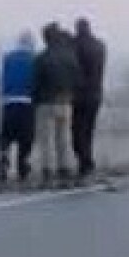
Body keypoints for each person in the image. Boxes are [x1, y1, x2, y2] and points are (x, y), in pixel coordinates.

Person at [32, 23, 81, 186]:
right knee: (64, 138)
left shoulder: (41, 58)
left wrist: (36, 99)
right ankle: (65, 168)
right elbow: (78, 79)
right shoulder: (70, 56)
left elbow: (35, 83)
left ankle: (48, 170)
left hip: (46, 103)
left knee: (47, 140)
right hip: (66, 102)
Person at [0, 30, 37, 186]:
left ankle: (4, 154)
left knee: (6, 134)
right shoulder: (35, 59)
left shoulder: (8, 57)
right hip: (27, 102)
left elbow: (2, 80)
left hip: (9, 102)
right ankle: (22, 167)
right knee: (26, 138)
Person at [72, 17, 108, 181]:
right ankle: (87, 161)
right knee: (89, 130)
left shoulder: (75, 46)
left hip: (79, 95)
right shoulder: (100, 46)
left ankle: (84, 162)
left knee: (77, 129)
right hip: (96, 93)